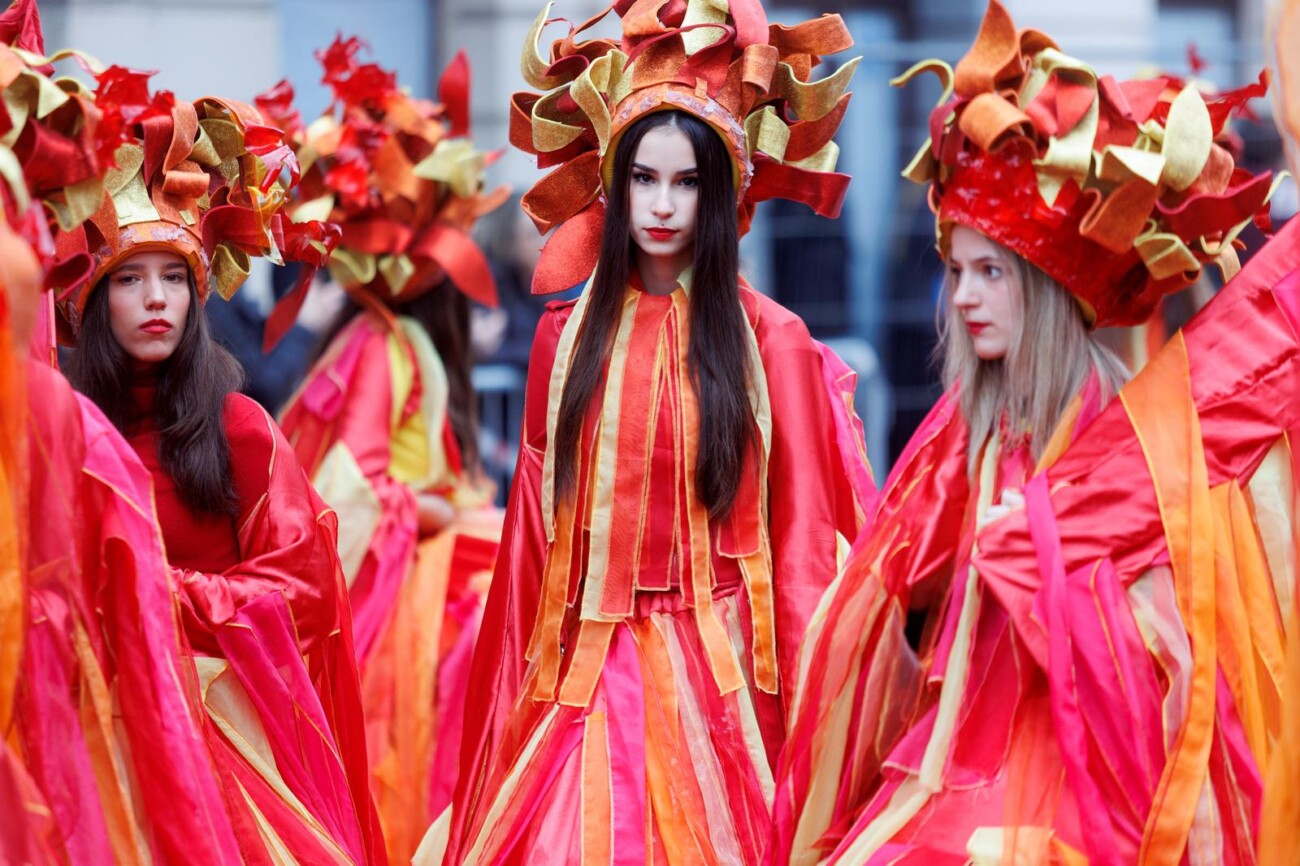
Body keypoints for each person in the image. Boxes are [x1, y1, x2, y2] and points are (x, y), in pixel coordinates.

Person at [771, 3, 1290, 863]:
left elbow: (1175, 636)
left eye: (990, 273)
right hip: (947, 758)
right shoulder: (961, 431)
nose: (963, 298)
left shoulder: (1127, 436)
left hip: (1082, 773)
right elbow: (879, 584)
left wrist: (1048, 565)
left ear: (1045, 291)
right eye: (955, 271)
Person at [435, 2, 872, 863]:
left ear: (720, 191)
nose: (664, 205)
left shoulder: (773, 341)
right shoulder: (564, 339)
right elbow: (532, 540)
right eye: (644, 179)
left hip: (726, 690)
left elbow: (807, 547)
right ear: (612, 183)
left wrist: (805, 735)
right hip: (584, 684)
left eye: (686, 182)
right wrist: (508, 715)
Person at [56, 84, 384, 865]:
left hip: (218, 739)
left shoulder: (239, 426)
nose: (156, 299)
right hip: (90, 730)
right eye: (131, 280)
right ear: (93, 299)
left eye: (173, 277)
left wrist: (160, 597)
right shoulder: (65, 430)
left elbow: (303, 589)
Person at [265, 38, 509, 864]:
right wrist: (442, 507)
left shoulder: (379, 335)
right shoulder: (385, 342)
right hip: (410, 586)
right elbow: (353, 487)